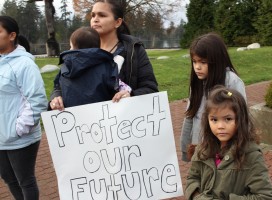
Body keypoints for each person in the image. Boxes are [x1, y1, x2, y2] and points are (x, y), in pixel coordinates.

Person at [50, 0, 158, 110]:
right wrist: (56, 96)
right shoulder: (80, 50)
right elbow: (60, 82)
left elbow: (150, 88)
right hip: (82, 123)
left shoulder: (133, 50)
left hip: (122, 121)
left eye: (102, 15)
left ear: (118, 22)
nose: (95, 19)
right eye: (93, 15)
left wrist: (131, 94)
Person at [185, 86, 272, 199]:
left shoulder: (251, 156)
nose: (220, 126)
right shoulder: (202, 149)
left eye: (228, 119)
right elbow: (192, 179)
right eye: (214, 119)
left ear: (240, 119)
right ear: (207, 120)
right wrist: (197, 196)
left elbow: (266, 197)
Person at [0, 16, 48, 200]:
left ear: (12, 35)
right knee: (8, 178)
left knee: (25, 181)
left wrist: (18, 130)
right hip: (1, 137)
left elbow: (37, 100)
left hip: (20, 138)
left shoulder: (25, 64)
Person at [180, 32, 246, 162]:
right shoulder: (198, 83)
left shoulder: (232, 82)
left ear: (217, 61)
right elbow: (190, 115)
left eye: (203, 62)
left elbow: (242, 120)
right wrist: (185, 147)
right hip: (199, 150)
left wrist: (236, 152)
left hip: (223, 155)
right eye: (194, 62)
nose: (197, 67)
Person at [50, 26, 132, 109]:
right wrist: (126, 91)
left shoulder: (66, 68)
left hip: (71, 117)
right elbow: (118, 84)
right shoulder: (107, 67)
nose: (69, 49)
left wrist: (55, 96)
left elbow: (57, 86)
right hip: (101, 116)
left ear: (75, 49)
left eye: (71, 46)